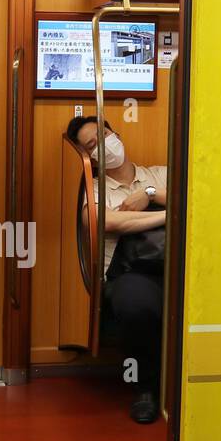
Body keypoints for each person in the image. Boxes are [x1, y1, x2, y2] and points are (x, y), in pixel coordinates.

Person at [66, 116, 167, 424]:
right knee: (134, 301)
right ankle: (146, 387)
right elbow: (106, 222)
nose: (103, 145)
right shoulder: (95, 189)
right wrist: (168, 215)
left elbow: (197, 200)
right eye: (92, 145)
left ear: (116, 134)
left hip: (175, 265)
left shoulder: (160, 174)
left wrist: (148, 195)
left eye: (103, 135)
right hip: (130, 273)